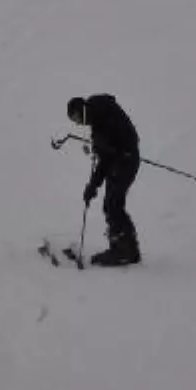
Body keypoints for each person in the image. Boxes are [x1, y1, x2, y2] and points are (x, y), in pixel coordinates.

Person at [67, 94, 141, 267]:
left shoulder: (102, 113)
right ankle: (127, 249)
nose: (78, 123)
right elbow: (105, 159)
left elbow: (119, 140)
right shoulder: (98, 120)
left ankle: (123, 251)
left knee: (112, 204)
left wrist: (106, 146)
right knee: (113, 204)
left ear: (82, 109)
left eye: (76, 118)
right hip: (121, 161)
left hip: (125, 161)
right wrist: (93, 186)